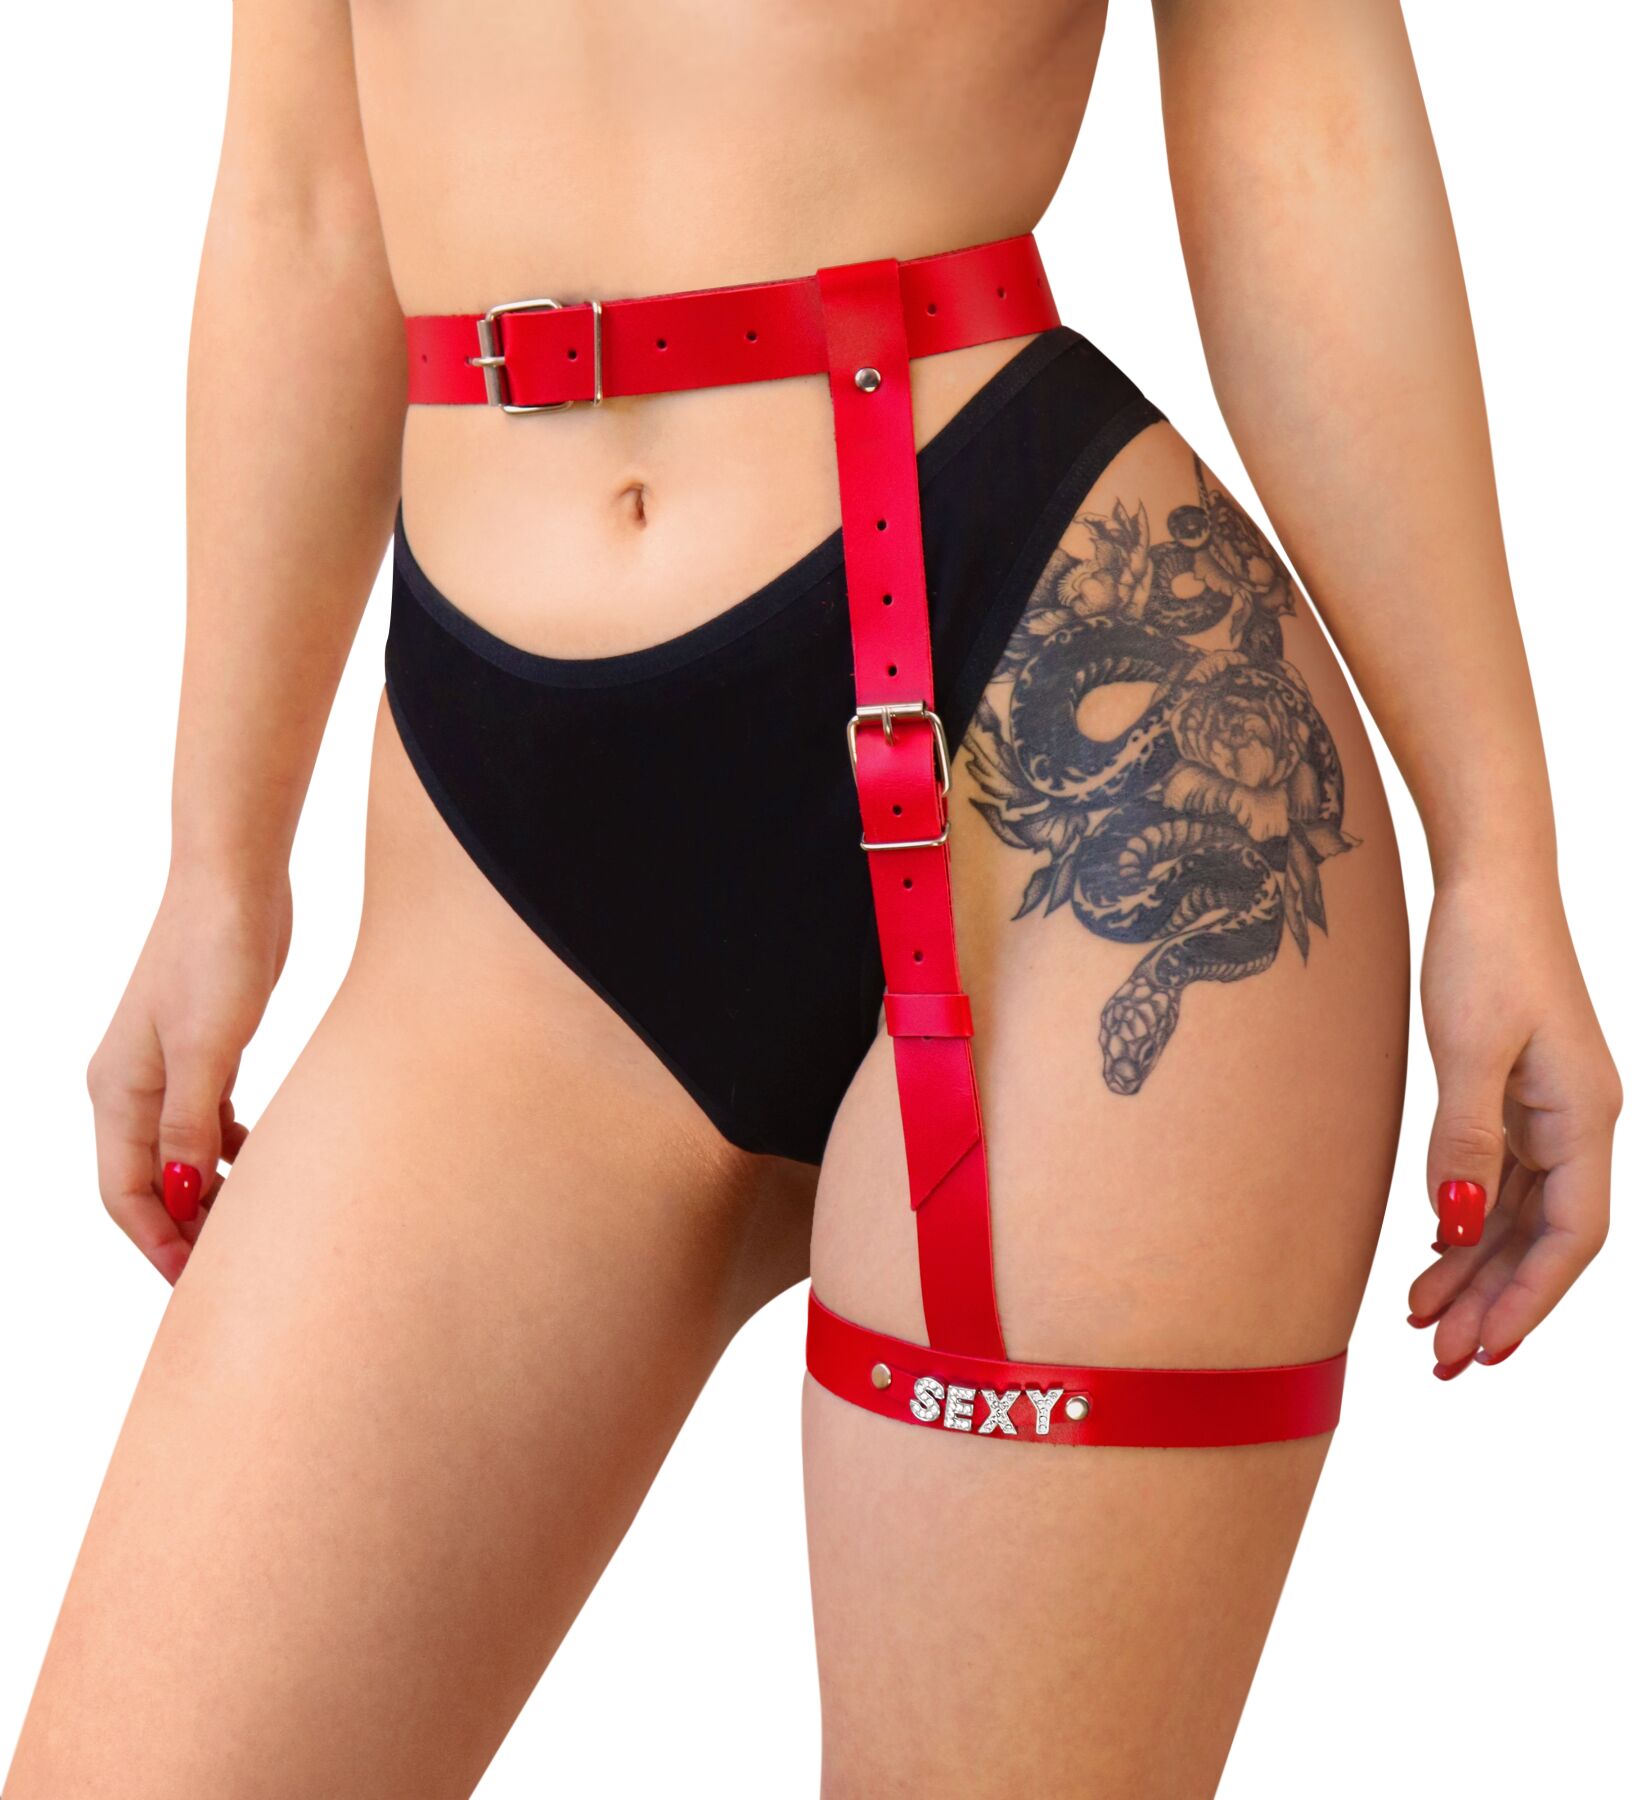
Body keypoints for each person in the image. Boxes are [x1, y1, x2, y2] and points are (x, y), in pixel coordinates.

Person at [5, 1, 1619, 1795]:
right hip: (497, 876)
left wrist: (1499, 852)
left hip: (1058, 785)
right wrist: (218, 864)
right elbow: (304, 194)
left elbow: (1297, 130)